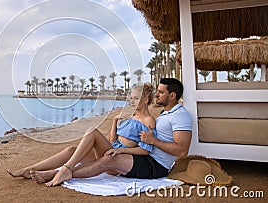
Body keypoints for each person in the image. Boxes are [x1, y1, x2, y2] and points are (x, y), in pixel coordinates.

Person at [33, 78, 193, 186]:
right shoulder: (165, 114)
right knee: (74, 150)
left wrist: (153, 142)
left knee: (108, 160)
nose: (157, 95)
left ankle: (59, 172)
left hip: (155, 165)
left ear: (172, 95)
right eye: (156, 91)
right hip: (143, 157)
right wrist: (116, 123)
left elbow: (182, 150)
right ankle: (32, 169)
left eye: (161, 92)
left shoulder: (181, 116)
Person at [7, 83, 156, 186]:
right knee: (71, 150)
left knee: (92, 131)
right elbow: (112, 142)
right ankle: (30, 169)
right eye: (130, 98)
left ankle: (66, 169)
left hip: (115, 161)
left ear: (146, 99)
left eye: (136, 98)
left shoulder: (148, 121)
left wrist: (120, 150)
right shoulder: (130, 117)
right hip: (110, 151)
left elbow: (145, 150)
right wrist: (114, 123)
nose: (131, 101)